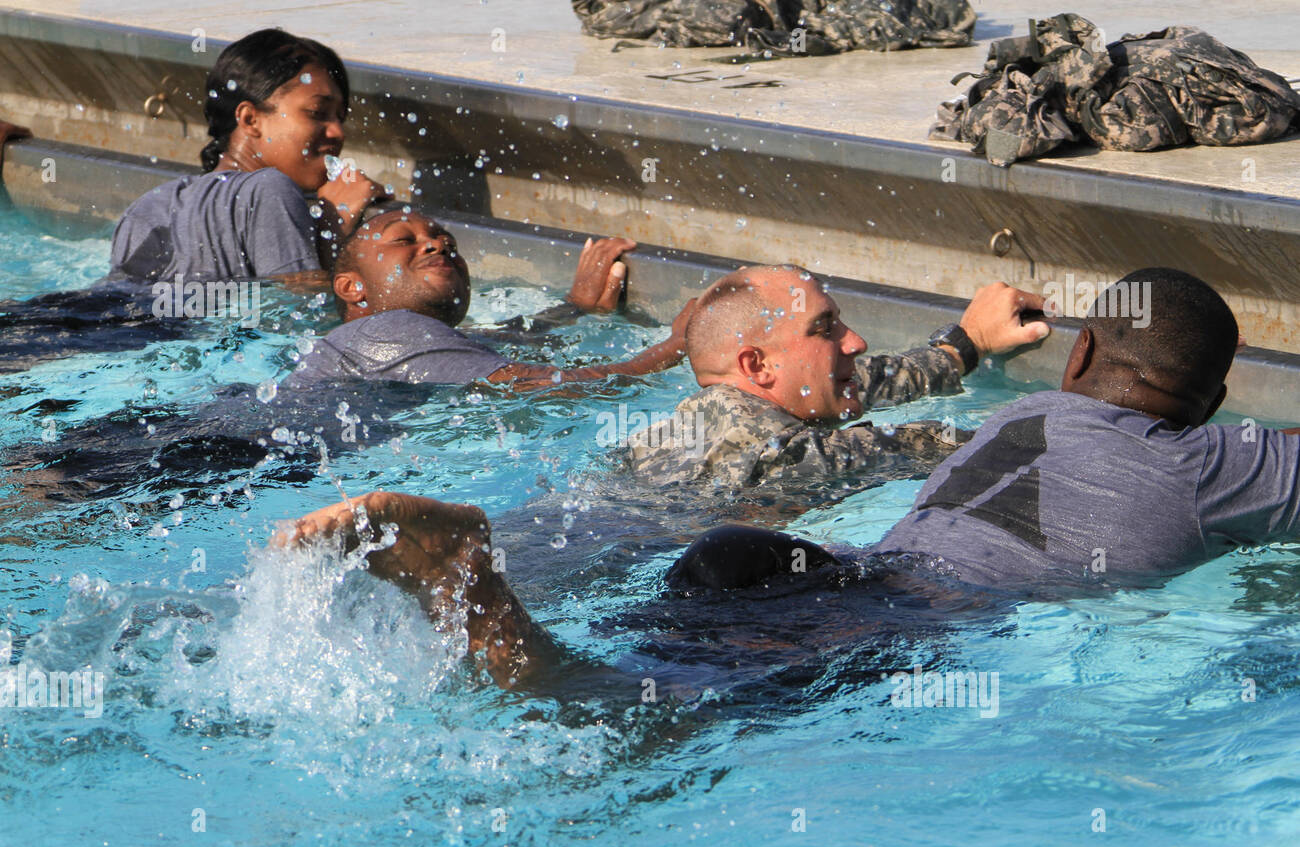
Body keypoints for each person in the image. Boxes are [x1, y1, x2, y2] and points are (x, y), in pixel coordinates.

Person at [678, 267, 1300, 592]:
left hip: (843, 574)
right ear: (1215, 405)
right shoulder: (1212, 465)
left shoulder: (1010, 417)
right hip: (927, 617)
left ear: (1077, 354)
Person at [623, 265, 1049, 488]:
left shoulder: (671, 432)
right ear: (756, 365)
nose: (856, 342)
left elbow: (858, 379)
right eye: (824, 329)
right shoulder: (775, 461)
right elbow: (918, 443)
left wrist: (965, 343)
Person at [284, 207, 688, 389]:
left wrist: (574, 308)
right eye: (405, 241)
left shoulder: (393, 342)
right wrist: (677, 345)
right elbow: (539, 385)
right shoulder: (390, 329)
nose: (436, 247)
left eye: (448, 242)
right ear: (352, 288)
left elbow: (502, 344)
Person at [106, 29, 384, 284]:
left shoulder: (152, 204)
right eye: (317, 113)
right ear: (250, 119)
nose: (337, 132)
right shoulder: (271, 190)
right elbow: (297, 320)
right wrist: (335, 225)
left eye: (340, 118)